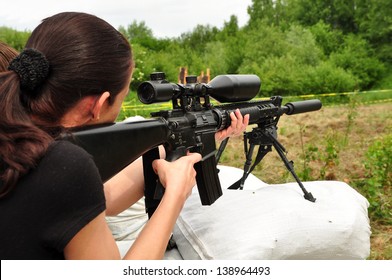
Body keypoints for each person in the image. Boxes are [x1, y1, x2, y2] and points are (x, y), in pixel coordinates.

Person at [0, 12, 248, 260]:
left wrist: (186, 142)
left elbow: (98, 197)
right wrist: (175, 194)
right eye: (122, 96)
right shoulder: (64, 164)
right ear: (99, 104)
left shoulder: (18, 141)